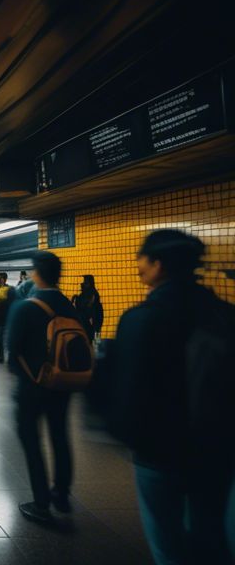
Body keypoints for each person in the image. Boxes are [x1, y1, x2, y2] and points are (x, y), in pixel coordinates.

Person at [109, 230, 235, 565]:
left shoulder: (139, 319)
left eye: (142, 258)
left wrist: (127, 434)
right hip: (218, 449)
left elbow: (128, 389)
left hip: (159, 452)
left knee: (167, 542)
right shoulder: (226, 315)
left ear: (158, 264)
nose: (138, 266)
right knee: (211, 533)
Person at [8, 251, 78, 524]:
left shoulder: (26, 307)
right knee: (60, 436)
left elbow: (12, 351)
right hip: (62, 383)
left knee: (31, 440)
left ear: (36, 274)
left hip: (32, 387)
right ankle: (61, 494)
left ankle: (41, 503)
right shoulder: (69, 306)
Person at [71, 275, 103, 343]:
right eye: (84, 281)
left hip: (89, 326)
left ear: (90, 283)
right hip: (83, 325)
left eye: (86, 282)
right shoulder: (84, 294)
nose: (82, 284)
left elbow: (89, 308)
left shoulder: (93, 294)